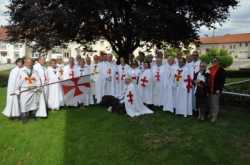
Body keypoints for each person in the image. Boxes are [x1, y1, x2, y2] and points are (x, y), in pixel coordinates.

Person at [15, 57, 47, 122]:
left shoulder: (34, 71)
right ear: (25, 63)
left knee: (33, 104)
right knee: (24, 103)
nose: (30, 64)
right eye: (28, 63)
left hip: (33, 90)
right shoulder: (21, 71)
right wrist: (17, 89)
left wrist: (38, 87)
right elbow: (17, 81)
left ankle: (32, 116)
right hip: (25, 90)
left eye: (31, 63)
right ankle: (24, 117)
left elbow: (38, 80)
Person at [208, 57, 226, 122]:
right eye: (212, 61)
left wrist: (219, 89)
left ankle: (214, 116)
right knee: (210, 102)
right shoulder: (210, 69)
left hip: (216, 89)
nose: (213, 62)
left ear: (218, 62)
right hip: (209, 88)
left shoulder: (222, 70)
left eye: (215, 61)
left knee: (215, 103)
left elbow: (222, 81)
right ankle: (210, 113)